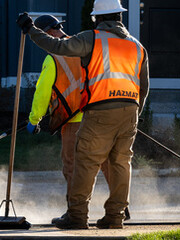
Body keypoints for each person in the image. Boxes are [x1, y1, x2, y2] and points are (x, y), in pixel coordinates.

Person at [17, 0, 150, 229]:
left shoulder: (93, 38)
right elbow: (143, 87)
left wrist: (31, 30)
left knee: (85, 162)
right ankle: (115, 217)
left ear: (98, 18)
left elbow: (57, 47)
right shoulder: (137, 47)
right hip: (130, 111)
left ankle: (77, 216)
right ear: (119, 16)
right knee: (120, 164)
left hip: (100, 111)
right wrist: (135, 113)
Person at [23, 14, 120, 228]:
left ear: (47, 33)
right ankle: (120, 209)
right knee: (107, 163)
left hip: (75, 121)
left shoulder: (53, 58)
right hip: (101, 116)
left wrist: (34, 119)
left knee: (73, 166)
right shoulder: (84, 48)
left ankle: (74, 213)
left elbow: (42, 93)